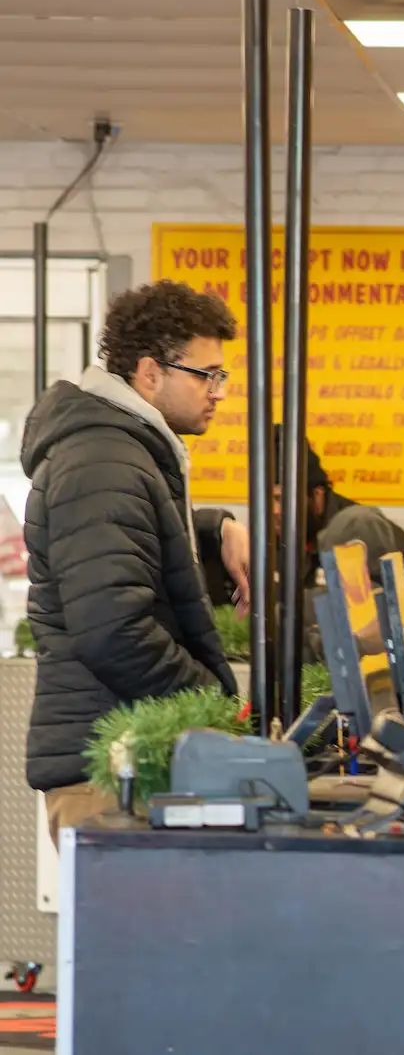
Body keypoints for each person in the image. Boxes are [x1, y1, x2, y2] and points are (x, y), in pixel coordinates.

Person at [22, 279, 243, 846]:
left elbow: (135, 542)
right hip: (110, 773)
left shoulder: (119, 452)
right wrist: (212, 702)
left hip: (128, 756)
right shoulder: (103, 460)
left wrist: (216, 529)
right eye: (207, 375)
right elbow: (114, 630)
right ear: (150, 372)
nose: (218, 392)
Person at [230, 433, 404, 698]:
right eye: (266, 500)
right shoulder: (288, 534)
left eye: (280, 499)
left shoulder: (360, 533)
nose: (273, 511)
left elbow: (376, 624)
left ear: (317, 495)